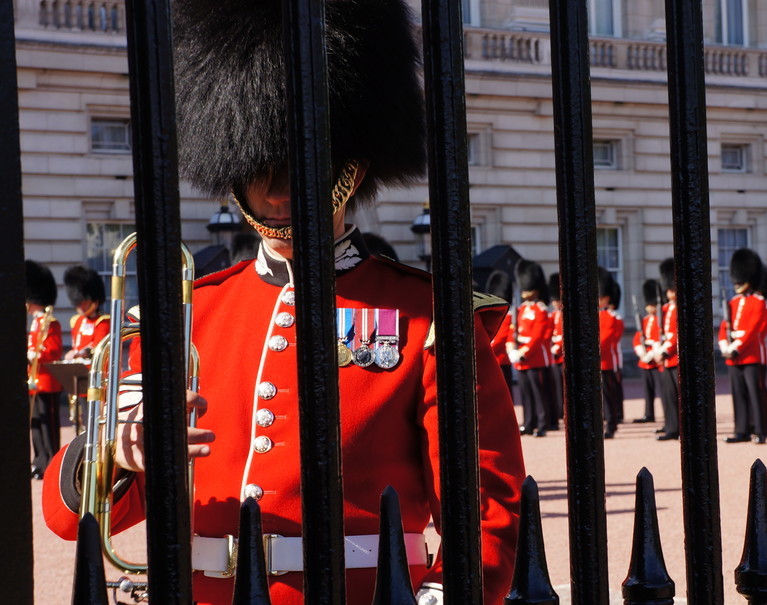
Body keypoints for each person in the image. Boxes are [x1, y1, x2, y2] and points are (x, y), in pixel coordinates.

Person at [42, 0, 525, 603]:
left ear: (351, 165)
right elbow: (72, 519)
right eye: (255, 168)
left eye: (297, 167)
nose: (274, 192)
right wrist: (120, 452)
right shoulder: (190, 316)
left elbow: (486, 507)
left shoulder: (426, 316)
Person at [719, 249, 767, 444]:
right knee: (738, 393)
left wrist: (737, 346)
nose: (737, 284)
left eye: (741, 279)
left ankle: (760, 430)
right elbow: (724, 327)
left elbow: (752, 329)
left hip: (750, 355)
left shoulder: (758, 303)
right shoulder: (732, 302)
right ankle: (741, 430)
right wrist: (725, 344)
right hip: (734, 355)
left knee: (754, 392)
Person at [508, 260, 554, 437]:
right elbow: (513, 331)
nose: (524, 291)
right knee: (525, 394)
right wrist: (511, 347)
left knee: (538, 393)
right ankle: (528, 423)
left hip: (534, 358)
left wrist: (523, 352)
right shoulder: (520, 310)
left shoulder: (540, 310)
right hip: (521, 359)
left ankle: (542, 424)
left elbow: (538, 336)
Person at [26, 259, 62, 479]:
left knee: (48, 425)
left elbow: (55, 350)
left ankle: (51, 460)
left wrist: (36, 355)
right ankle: (39, 462)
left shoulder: (52, 322)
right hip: (34, 379)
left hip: (48, 381)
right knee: (36, 426)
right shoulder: (35, 322)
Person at [62, 265, 111, 361]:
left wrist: (82, 353)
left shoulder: (102, 321)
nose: (81, 307)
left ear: (94, 302)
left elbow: (99, 345)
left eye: (85, 303)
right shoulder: (77, 321)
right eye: (79, 303)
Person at [598, 268, 624, 439]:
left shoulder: (614, 317)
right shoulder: (595, 315)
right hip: (596, 361)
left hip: (607, 361)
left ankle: (611, 425)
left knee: (609, 396)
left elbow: (607, 338)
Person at [631, 279, 662, 423]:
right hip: (645, 361)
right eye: (648, 305)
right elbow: (637, 338)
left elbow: (658, 338)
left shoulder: (659, 320)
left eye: (652, 304)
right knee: (647, 390)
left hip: (656, 360)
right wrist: (641, 353)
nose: (650, 307)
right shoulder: (645, 320)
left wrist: (650, 354)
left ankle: (668, 416)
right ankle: (648, 414)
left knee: (662, 390)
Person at [656, 258, 680, 441]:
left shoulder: (680, 308)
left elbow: (677, 334)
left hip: (676, 357)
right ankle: (671, 426)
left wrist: (665, 349)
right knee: (668, 396)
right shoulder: (664, 309)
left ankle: (678, 427)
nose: (670, 292)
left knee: (678, 396)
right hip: (666, 359)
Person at [486, 270, 515, 399]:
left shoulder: (507, 316)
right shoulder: (490, 315)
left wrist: (486, 349)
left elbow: (500, 338)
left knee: (504, 396)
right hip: (492, 361)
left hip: (501, 360)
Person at [547, 272, 565, 428]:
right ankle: (559, 410)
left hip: (563, 356)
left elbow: (564, 334)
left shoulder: (564, 315)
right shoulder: (552, 315)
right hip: (553, 356)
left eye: (556, 300)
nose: (554, 303)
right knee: (555, 386)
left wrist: (557, 346)